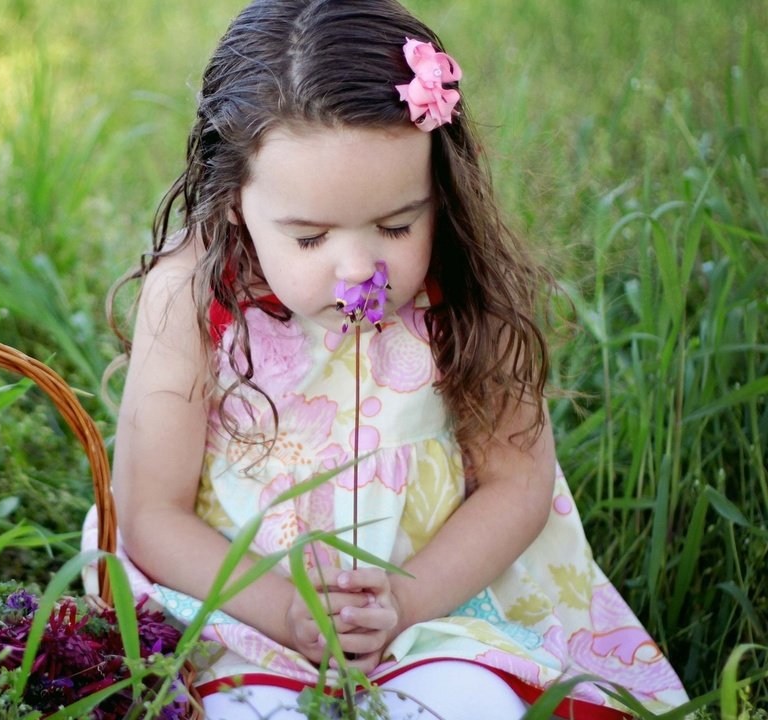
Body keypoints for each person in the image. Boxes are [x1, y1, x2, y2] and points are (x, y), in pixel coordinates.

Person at [81, 1, 689, 717]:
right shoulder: (189, 296)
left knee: (470, 703)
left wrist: (403, 601)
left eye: (398, 224)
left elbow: (517, 485)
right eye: (309, 238)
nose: (358, 267)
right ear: (234, 198)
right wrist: (286, 611)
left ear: (440, 192)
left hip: (441, 608)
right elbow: (151, 511)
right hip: (242, 612)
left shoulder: (461, 288)